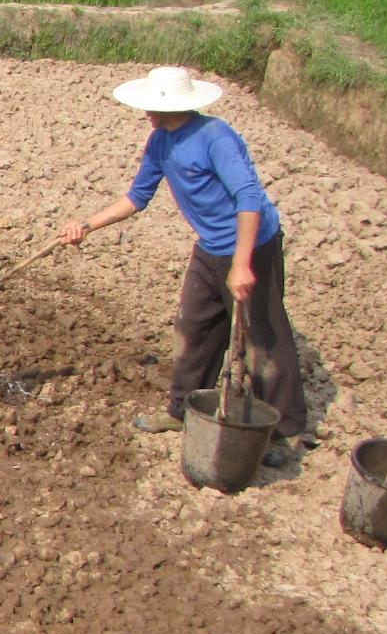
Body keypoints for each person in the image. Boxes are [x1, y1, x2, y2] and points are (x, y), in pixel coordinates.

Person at [60, 65, 306, 468]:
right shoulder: (160, 141)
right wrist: (86, 225)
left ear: (174, 106)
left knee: (263, 337)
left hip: (252, 244)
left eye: (151, 107)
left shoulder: (215, 138)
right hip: (211, 246)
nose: (145, 113)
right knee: (194, 326)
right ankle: (183, 410)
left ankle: (283, 431)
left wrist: (242, 263)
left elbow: (248, 198)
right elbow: (137, 197)